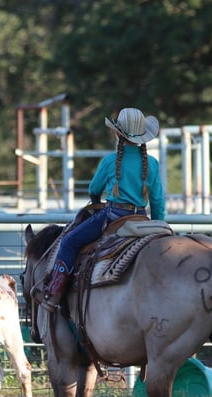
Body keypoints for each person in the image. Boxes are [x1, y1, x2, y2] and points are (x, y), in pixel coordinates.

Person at [40, 107, 165, 310]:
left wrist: (96, 201)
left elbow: (94, 189)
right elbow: (158, 202)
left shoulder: (109, 161)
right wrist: (160, 224)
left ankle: (54, 293)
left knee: (69, 242)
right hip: (142, 220)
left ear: (118, 133)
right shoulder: (151, 163)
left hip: (114, 216)